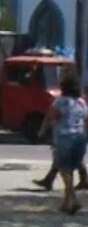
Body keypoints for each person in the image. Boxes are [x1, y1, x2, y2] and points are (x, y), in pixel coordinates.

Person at [38, 72, 88, 214]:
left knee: (63, 170)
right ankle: (67, 204)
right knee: (70, 169)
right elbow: (86, 120)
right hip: (80, 138)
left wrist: (42, 131)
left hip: (64, 137)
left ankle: (74, 200)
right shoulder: (81, 102)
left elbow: (49, 117)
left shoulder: (60, 101)